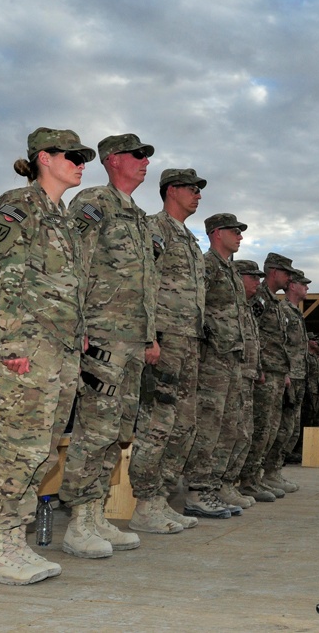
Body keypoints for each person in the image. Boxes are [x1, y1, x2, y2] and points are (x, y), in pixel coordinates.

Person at [0, 127, 93, 585]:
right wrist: (13, 344)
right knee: (17, 448)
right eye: (73, 155)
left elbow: (68, 289)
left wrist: (78, 333)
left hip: (59, 353)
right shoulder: (16, 207)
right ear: (44, 157)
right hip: (29, 350)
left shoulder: (62, 217)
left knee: (41, 452)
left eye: (84, 156)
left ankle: (13, 542)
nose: (81, 162)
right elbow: (1, 280)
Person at [59, 133, 158, 559]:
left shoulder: (137, 215)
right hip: (101, 337)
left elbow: (145, 282)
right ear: (114, 160)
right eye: (138, 156)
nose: (145, 163)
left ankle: (97, 512)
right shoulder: (93, 202)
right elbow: (74, 263)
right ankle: (79, 521)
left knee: (117, 432)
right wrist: (78, 324)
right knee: (94, 428)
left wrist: (150, 335)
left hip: (133, 342)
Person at [127, 169, 207, 534]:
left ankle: (160, 498)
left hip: (188, 340)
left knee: (185, 424)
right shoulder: (153, 228)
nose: (198, 196)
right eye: (192, 189)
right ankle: (144, 502)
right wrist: (149, 337)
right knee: (157, 424)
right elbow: (142, 281)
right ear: (171, 191)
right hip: (164, 337)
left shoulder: (189, 240)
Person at [180, 212, 248, 520]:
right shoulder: (207, 266)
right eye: (235, 231)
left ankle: (214, 485)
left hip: (231, 357)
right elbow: (196, 305)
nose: (240, 236)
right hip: (212, 357)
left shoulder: (230, 271)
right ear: (217, 233)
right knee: (207, 425)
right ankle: (197, 490)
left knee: (227, 425)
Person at [238, 252, 294, 501]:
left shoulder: (274, 302)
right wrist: (258, 366)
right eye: (286, 273)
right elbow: (254, 334)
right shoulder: (259, 299)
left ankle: (257, 477)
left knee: (270, 429)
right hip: (263, 373)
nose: (289, 278)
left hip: (275, 372)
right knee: (260, 428)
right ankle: (248, 480)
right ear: (274, 272)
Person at [212, 258, 265, 510]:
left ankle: (228, 483)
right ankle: (217, 485)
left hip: (246, 376)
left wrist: (257, 369)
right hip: (231, 374)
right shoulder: (230, 304)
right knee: (229, 433)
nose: (258, 282)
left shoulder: (248, 307)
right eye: (252, 277)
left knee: (243, 433)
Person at [263, 268, 310, 493]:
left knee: (291, 429)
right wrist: (287, 373)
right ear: (293, 286)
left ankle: (275, 471)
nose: (307, 288)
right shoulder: (283, 309)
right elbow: (280, 344)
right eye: (304, 284)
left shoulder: (295, 312)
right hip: (288, 375)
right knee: (280, 427)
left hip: (298, 375)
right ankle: (268, 472)